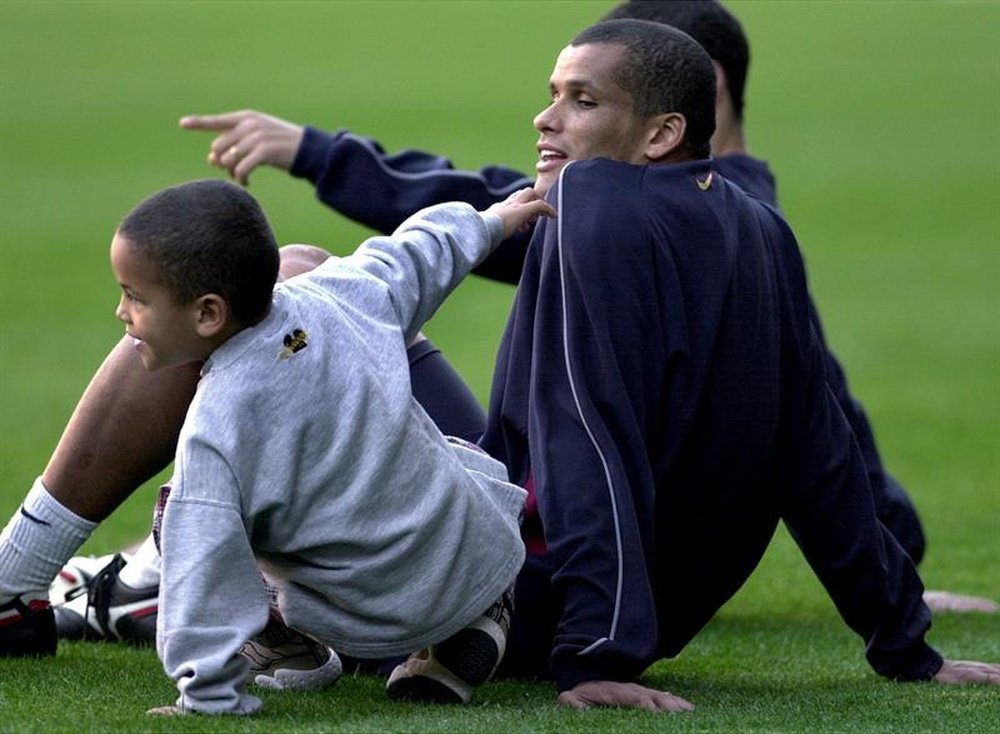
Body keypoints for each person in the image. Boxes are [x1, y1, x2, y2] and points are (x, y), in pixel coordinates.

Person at [468, 17, 1000, 710]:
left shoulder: (584, 199)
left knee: (304, 270)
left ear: (661, 134)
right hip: (634, 617)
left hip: (512, 602)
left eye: (582, 100)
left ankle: (292, 618)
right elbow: (818, 452)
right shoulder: (761, 226)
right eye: (553, 93)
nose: (546, 119)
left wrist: (596, 652)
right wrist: (906, 646)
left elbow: (586, 430)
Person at [3, 177, 556, 714]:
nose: (122, 315)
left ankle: (289, 645)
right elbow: (418, 251)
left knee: (185, 517)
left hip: (367, 615)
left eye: (134, 298)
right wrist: (492, 221)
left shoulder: (213, 426)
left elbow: (203, 575)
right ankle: (460, 636)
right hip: (478, 553)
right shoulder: (345, 292)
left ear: (208, 314)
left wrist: (207, 695)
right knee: (458, 456)